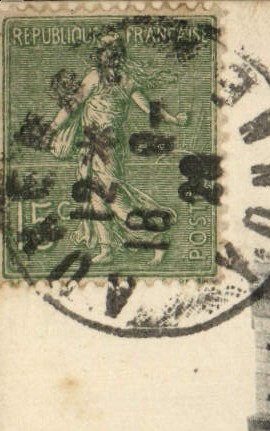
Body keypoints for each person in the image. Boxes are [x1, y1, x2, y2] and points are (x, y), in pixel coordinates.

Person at [44, 30, 187, 261]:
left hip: (106, 147)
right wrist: (51, 128)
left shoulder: (122, 81)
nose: (112, 59)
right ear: (101, 56)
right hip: (90, 146)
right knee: (96, 197)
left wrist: (173, 119)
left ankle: (157, 237)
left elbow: (148, 108)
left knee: (113, 199)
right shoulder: (97, 78)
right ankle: (106, 248)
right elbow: (72, 107)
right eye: (108, 54)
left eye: (115, 54)